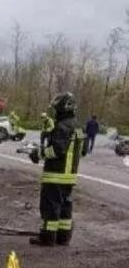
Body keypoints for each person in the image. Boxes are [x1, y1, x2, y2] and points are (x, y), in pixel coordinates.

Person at [28, 92, 86, 246]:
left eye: (56, 109)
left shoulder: (62, 126)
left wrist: (38, 153)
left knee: (51, 206)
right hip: (70, 176)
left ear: (63, 109)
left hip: (56, 175)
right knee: (65, 206)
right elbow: (83, 150)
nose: (55, 112)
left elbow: (57, 150)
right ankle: (63, 237)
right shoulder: (78, 127)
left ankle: (47, 237)